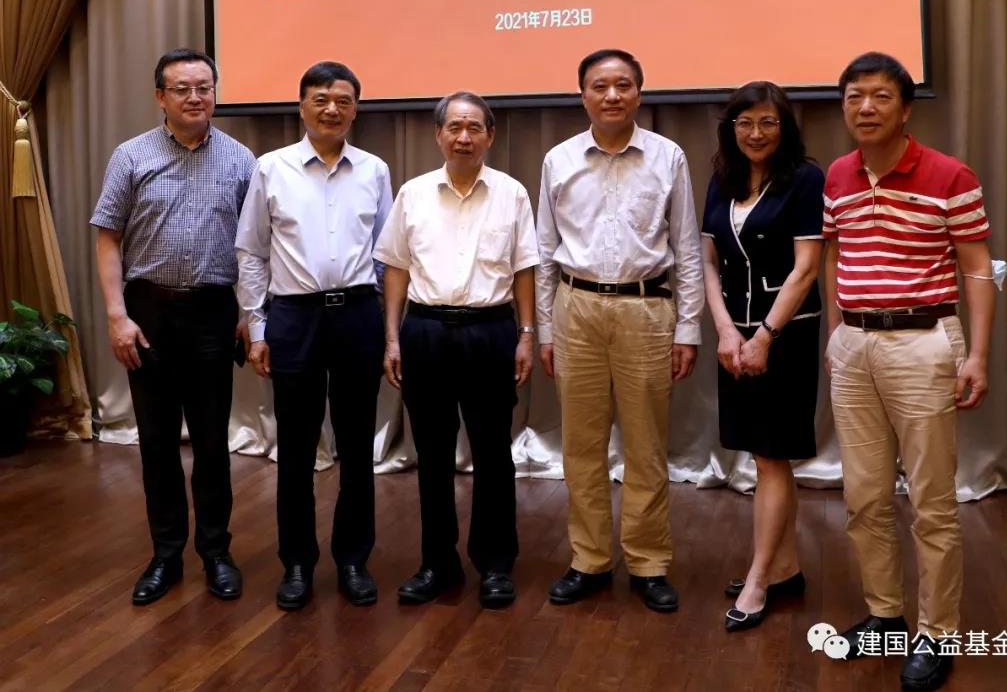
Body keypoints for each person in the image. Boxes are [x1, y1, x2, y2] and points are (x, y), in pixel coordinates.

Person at [824, 52, 995, 692]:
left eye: (879, 96)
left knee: (932, 502)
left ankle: (937, 633)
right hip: (855, 345)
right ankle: (884, 615)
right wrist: (838, 331)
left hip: (924, 341)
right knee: (863, 496)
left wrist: (977, 355)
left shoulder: (950, 175)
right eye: (854, 97)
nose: (865, 108)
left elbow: (977, 268)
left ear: (905, 108)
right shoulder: (837, 174)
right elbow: (837, 254)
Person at [536, 49, 704, 613]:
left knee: (646, 444)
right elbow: (543, 250)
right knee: (581, 446)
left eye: (623, 85)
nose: (612, 95)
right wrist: (545, 329)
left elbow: (685, 246)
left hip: (645, 309)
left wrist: (688, 328)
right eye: (600, 86)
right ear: (582, 95)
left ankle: (649, 561)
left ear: (639, 93)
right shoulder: (559, 160)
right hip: (575, 307)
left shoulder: (668, 156)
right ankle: (588, 559)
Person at [91, 48, 256, 606]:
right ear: (160, 96)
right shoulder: (131, 156)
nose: (195, 97)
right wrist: (117, 315)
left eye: (204, 87)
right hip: (148, 313)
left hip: (214, 313)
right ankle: (165, 554)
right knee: (158, 441)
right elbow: (108, 238)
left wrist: (248, 313)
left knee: (211, 442)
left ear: (215, 93)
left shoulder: (240, 159)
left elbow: (254, 248)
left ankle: (216, 552)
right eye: (182, 88)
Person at [236, 61, 392, 611]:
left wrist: (383, 326)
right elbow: (251, 252)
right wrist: (257, 327)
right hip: (294, 318)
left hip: (356, 316)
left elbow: (386, 255)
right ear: (301, 106)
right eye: (321, 99)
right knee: (297, 449)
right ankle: (297, 563)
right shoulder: (271, 168)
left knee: (357, 446)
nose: (332, 109)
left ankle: (353, 560)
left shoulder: (374, 170)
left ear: (356, 109)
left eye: (343, 100)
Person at [375, 91, 539, 608]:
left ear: (490, 136)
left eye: (474, 128)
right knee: (432, 455)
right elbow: (396, 267)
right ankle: (437, 564)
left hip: (491, 331)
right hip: (425, 331)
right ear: (438, 135)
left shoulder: (511, 194)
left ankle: (495, 564)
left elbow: (525, 269)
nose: (463, 137)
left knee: (494, 454)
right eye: (454, 127)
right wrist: (392, 337)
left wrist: (527, 334)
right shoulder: (414, 193)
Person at [700, 81, 824, 632]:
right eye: (745, 122)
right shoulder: (722, 178)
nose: (756, 133)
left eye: (768, 122)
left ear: (785, 127)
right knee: (762, 455)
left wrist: (765, 337)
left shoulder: (805, 179)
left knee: (773, 455)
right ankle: (786, 568)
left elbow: (807, 267)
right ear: (731, 127)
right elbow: (708, 261)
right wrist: (727, 331)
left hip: (786, 334)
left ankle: (757, 579)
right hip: (735, 334)